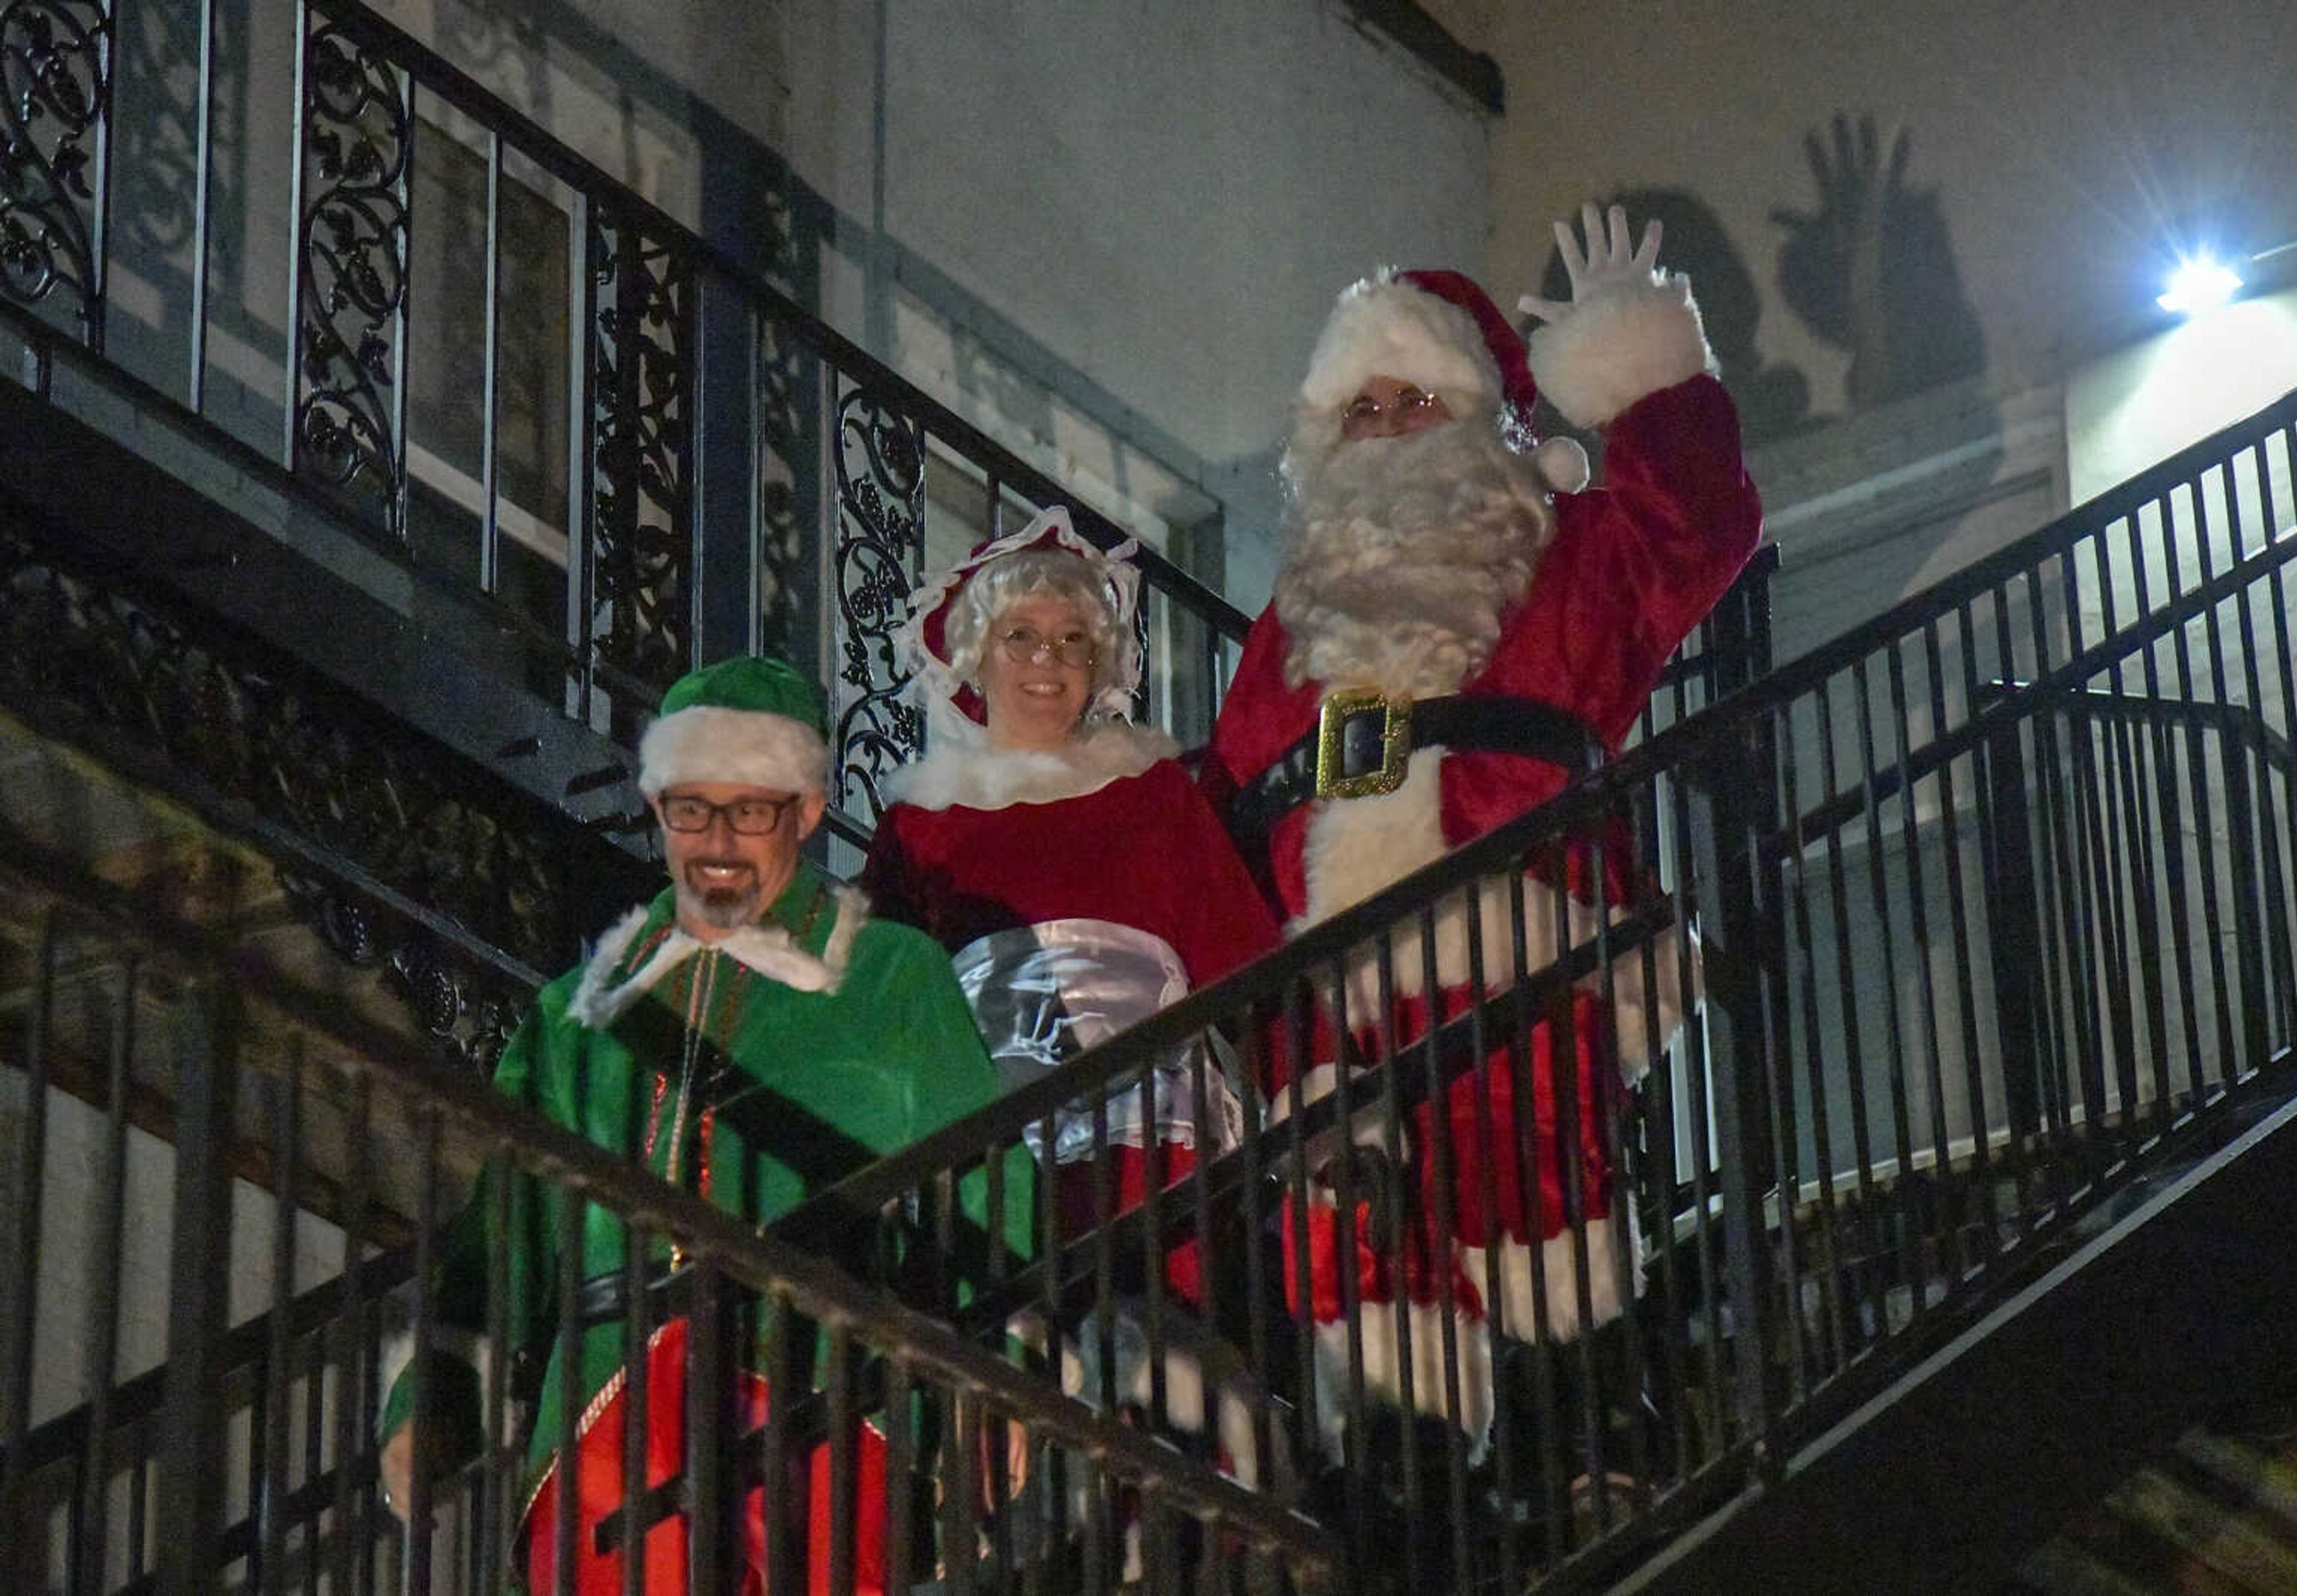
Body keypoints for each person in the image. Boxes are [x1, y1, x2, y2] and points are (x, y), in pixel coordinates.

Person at [1203, 206, 1764, 1517]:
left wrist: (1646, 373)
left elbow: (1693, 531)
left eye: (1417, 399)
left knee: (1522, 1172)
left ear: (1479, 418)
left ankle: (1592, 1432)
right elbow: (1231, 829)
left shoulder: (1563, 562)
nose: (1392, 427)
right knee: (1358, 1253)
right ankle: (1407, 1494)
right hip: (1332, 999)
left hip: (1521, 948)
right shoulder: (1286, 637)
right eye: (1367, 406)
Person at [379, 655, 1026, 1596]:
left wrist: (1004, 1368)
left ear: (806, 812)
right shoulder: (578, 1013)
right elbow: (504, 1232)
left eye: (751, 808)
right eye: (692, 806)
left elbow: (985, 1184)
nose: (717, 839)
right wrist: (432, 1394)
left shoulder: (890, 974)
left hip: (816, 1395)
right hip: (604, 1414)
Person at [859, 509, 1284, 1505]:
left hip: (1155, 1124)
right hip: (994, 1132)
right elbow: (882, 991)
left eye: (1072, 640)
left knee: (1165, 1353)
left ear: (1102, 662)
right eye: (1023, 637)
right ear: (977, 653)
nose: (1047, 661)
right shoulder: (920, 820)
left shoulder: (1155, 795)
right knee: (1019, 1328)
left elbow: (1246, 963)